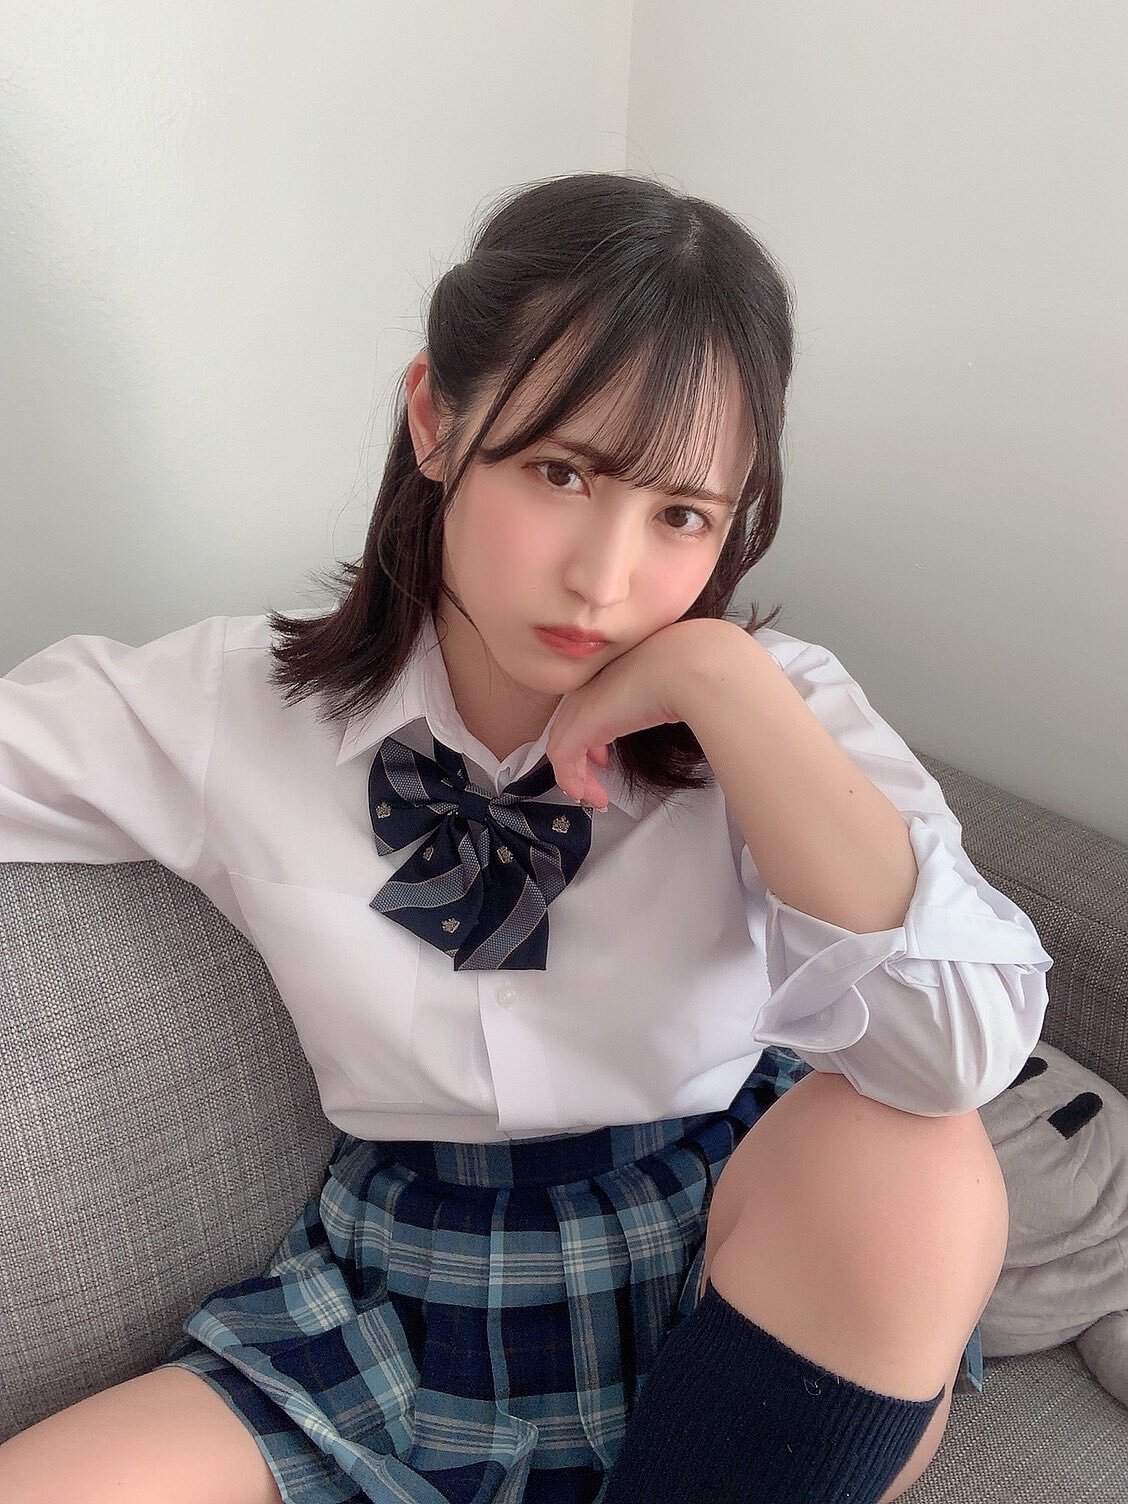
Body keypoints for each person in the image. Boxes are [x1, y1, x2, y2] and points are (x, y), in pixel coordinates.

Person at [0, 171, 1053, 1504]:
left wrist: (721, 686)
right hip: (399, 1300)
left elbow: (956, 1054)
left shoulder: (778, 710)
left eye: (681, 515)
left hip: (739, 1272)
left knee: (917, 1161)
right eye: (561, 472)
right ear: (436, 420)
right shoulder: (231, 707)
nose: (603, 580)